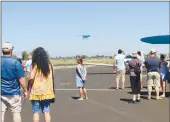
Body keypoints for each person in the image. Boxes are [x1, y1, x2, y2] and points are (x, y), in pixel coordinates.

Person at [1, 42, 28, 122]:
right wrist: (25, 90)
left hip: (1, 92)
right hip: (14, 92)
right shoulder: (16, 63)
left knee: (1, 113)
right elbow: (21, 79)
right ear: (11, 51)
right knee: (16, 113)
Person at [27, 47, 55, 122]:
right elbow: (52, 76)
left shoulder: (34, 65)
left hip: (36, 93)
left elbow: (31, 78)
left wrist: (28, 87)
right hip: (47, 93)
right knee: (47, 112)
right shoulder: (50, 65)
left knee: (36, 112)